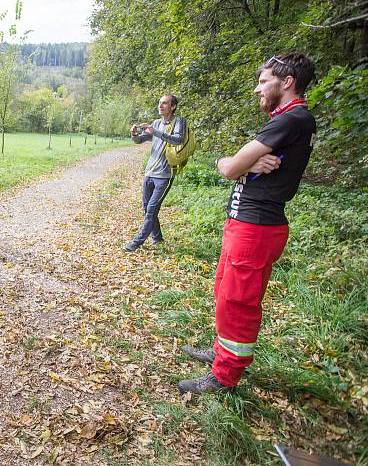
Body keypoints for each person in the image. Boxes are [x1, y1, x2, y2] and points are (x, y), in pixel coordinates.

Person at [178, 52, 316, 394]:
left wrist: (239, 164)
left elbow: (227, 168)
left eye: (263, 81)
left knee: (238, 301)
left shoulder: (292, 118)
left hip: (257, 227)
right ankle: (221, 351)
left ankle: (224, 375)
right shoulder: (285, 119)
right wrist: (245, 164)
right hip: (244, 222)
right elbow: (226, 162)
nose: (257, 89)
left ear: (287, 82)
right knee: (225, 293)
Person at [125, 94, 185, 252]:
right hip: (149, 172)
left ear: (173, 107)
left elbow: (178, 140)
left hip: (165, 176)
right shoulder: (156, 122)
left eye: (164, 103)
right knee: (147, 208)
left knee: (152, 209)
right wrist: (134, 134)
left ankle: (137, 242)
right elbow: (140, 140)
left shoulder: (178, 122)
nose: (160, 106)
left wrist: (156, 132)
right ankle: (158, 238)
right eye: (160, 103)